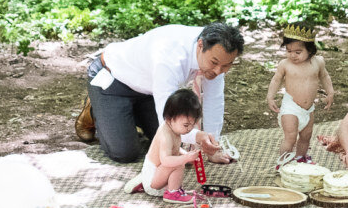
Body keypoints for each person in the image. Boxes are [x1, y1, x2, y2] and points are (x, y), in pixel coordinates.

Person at [77, 22, 244, 164]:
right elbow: (167, 116)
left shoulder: (218, 55)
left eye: (226, 65)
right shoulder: (170, 56)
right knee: (125, 152)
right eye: (214, 63)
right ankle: (95, 109)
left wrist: (212, 145)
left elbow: (214, 101)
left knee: (177, 139)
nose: (218, 70)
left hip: (148, 92)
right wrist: (196, 136)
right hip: (113, 81)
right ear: (200, 45)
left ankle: (128, 114)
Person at [265, 21, 334, 169]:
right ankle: (283, 162)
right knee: (290, 137)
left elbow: (325, 77)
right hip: (291, 107)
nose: (293, 55)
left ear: (310, 50)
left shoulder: (318, 62)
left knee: (306, 136)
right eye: (289, 51)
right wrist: (270, 96)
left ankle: (301, 158)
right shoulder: (285, 64)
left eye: (298, 52)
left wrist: (330, 92)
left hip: (308, 108)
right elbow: (276, 79)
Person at [140, 89, 204, 201]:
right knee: (178, 163)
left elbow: (174, 148)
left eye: (192, 125)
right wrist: (185, 158)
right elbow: (165, 161)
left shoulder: (174, 129)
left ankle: (172, 189)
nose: (189, 129)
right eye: (186, 125)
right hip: (153, 180)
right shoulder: (165, 135)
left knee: (179, 160)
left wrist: (186, 154)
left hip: (157, 174)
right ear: (170, 118)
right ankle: (172, 193)